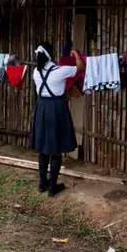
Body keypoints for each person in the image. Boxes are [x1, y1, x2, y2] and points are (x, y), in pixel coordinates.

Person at [30, 42, 85, 196]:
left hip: (42, 107)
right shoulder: (60, 71)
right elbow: (80, 67)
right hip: (56, 108)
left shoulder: (36, 72)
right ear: (51, 53)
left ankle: (42, 184)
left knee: (43, 149)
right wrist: (76, 54)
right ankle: (53, 187)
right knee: (56, 150)